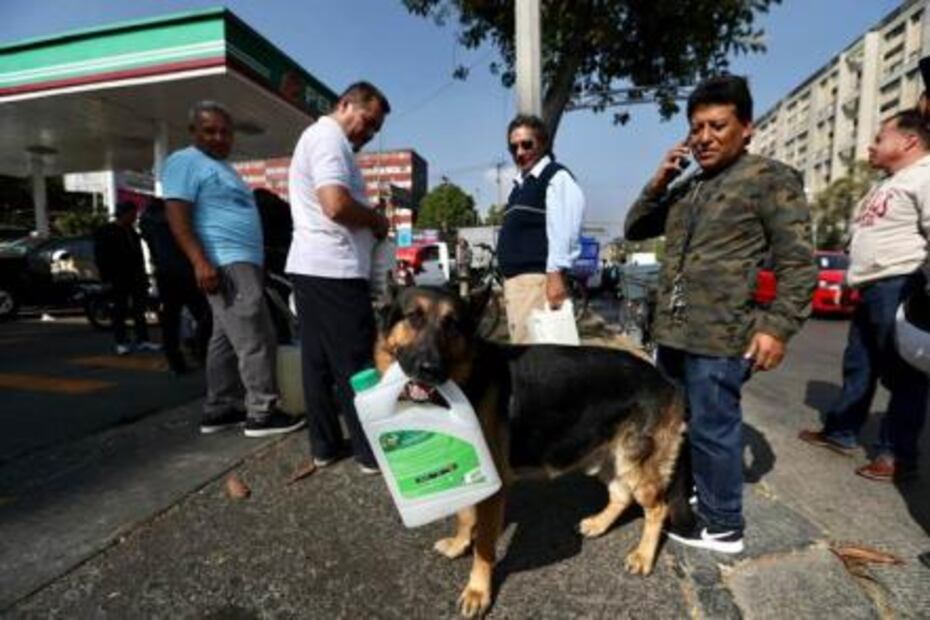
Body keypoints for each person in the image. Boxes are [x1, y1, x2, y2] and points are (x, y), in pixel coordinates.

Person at [624, 75, 816, 553]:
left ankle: (724, 525)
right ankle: (685, 498)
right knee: (675, 424)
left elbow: (798, 262)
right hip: (673, 332)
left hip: (722, 335)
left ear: (746, 127)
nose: (704, 138)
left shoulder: (770, 179)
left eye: (717, 125)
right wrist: (660, 180)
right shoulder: (690, 187)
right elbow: (634, 228)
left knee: (714, 428)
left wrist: (777, 328)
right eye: (696, 129)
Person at [799, 109, 930, 482]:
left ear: (908, 141)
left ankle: (897, 455)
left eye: (879, 137)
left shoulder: (925, 175)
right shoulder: (891, 181)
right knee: (860, 365)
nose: (872, 146)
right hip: (872, 287)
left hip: (901, 284)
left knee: (905, 375)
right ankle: (840, 431)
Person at [162, 100, 305, 438]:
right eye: (210, 130)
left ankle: (221, 407)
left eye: (225, 132)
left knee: (225, 338)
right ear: (193, 132)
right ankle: (262, 412)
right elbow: (177, 214)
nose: (219, 138)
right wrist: (200, 260)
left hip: (241, 262)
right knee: (256, 335)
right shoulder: (185, 161)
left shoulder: (224, 169)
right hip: (226, 260)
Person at [286, 82, 391, 474]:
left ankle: (325, 446)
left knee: (317, 363)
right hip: (335, 269)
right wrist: (375, 219)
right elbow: (334, 204)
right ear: (346, 104)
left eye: (376, 129)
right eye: (368, 122)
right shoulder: (330, 139)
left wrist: (364, 213)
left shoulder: (318, 138)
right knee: (356, 363)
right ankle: (369, 453)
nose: (369, 133)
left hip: (313, 267)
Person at [496, 114, 585, 344]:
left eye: (527, 144)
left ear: (543, 144)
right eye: (513, 147)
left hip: (537, 285)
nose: (519, 152)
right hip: (518, 287)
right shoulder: (520, 185)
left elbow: (564, 229)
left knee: (538, 361)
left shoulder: (555, 176)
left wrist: (555, 278)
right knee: (526, 356)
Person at [139, 197, 211, 375]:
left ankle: (175, 361)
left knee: (170, 321)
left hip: (165, 275)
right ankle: (205, 353)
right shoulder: (176, 221)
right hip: (186, 272)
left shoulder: (148, 225)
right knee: (203, 315)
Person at [93, 201, 160, 355]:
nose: (135, 217)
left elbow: (138, 256)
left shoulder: (131, 231)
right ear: (125, 213)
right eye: (133, 214)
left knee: (139, 309)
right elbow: (101, 257)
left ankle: (143, 339)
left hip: (135, 276)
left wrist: (143, 275)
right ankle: (121, 342)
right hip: (117, 277)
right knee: (120, 310)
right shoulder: (107, 231)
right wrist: (106, 278)